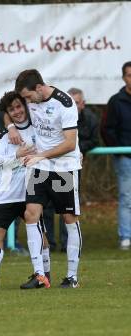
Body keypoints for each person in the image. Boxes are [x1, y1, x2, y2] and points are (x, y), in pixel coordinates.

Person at [0, 91, 51, 290]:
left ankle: (43, 272)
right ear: (7, 113)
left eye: (18, 106)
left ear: (25, 105)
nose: (16, 111)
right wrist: (17, 155)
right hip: (6, 193)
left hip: (32, 191)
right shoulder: (2, 135)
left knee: (42, 236)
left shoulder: (39, 128)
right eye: (11, 109)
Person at [11, 69, 82, 288]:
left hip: (64, 168)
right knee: (31, 214)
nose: (27, 102)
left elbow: (70, 143)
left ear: (39, 88)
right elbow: (8, 107)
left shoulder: (65, 104)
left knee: (69, 219)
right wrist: (10, 126)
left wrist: (40, 154)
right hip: (39, 166)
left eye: (29, 96)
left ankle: (72, 277)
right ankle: (41, 275)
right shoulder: (30, 98)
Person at [43, 87, 99, 252]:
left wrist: (77, 150)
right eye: (71, 102)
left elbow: (94, 140)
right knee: (46, 206)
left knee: (68, 207)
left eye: (76, 102)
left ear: (83, 104)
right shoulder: (55, 116)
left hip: (71, 167)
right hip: (51, 164)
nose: (73, 105)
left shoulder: (91, 119)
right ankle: (50, 243)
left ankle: (68, 244)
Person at [101, 61, 131, 250]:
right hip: (125, 159)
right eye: (129, 75)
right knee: (127, 198)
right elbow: (106, 129)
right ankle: (126, 236)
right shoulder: (116, 101)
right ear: (123, 78)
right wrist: (119, 149)